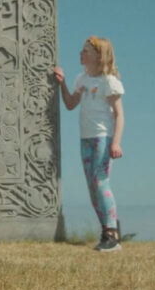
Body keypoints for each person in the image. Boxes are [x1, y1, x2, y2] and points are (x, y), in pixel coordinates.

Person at [53, 36, 125, 252]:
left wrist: (116, 143)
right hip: (85, 139)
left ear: (98, 56)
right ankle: (105, 232)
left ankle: (112, 235)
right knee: (92, 187)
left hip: (103, 138)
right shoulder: (81, 79)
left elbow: (120, 115)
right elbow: (70, 104)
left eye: (85, 51)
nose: (81, 53)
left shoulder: (109, 82)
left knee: (100, 181)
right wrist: (62, 83)